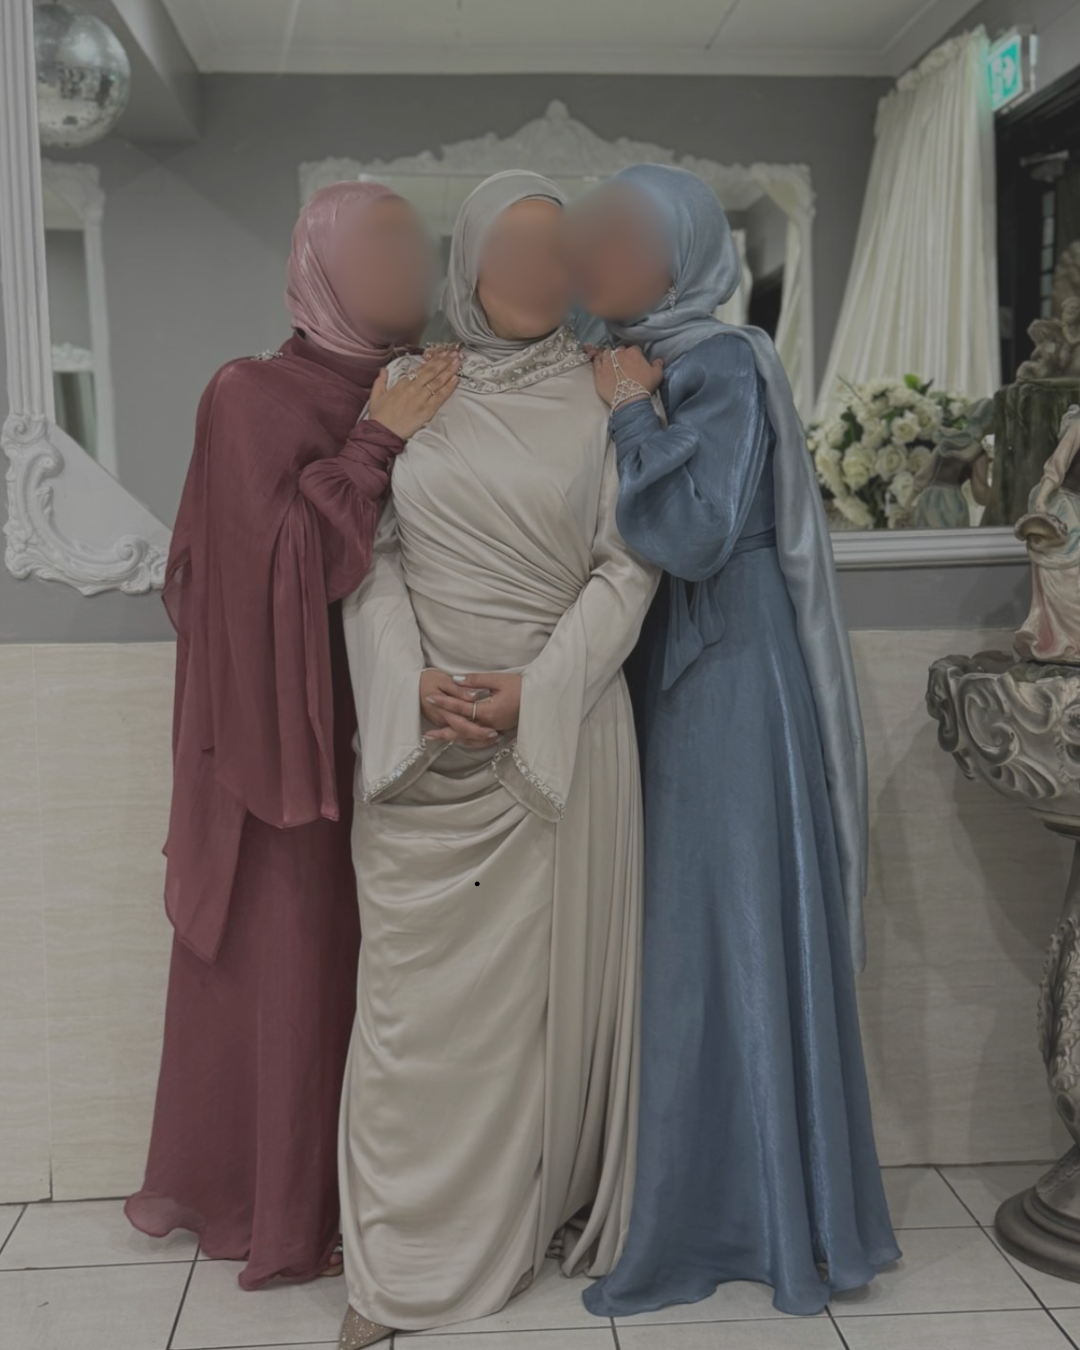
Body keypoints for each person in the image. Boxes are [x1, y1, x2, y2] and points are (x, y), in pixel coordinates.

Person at [566, 164, 899, 1318]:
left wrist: (628, 413)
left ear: (686, 254)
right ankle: (720, 1195)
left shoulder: (715, 360)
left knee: (725, 933)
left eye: (625, 236)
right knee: (690, 937)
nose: (596, 254)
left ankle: (738, 1217)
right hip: (679, 666)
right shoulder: (637, 354)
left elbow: (700, 533)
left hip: (725, 673)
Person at [335, 170, 659, 1349]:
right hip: (421, 747)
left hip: (555, 739)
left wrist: (537, 693)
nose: (535, 273)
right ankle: (394, 1261)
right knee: (410, 1021)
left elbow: (631, 563)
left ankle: (513, 1226)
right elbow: (369, 556)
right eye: (509, 251)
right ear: (466, 261)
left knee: (525, 1029)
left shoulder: (609, 389)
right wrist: (407, 682)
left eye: (555, 252)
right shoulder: (408, 387)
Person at [125, 182, 460, 1290]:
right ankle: (284, 1209)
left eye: (415, 245)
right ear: (316, 263)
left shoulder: (436, 380)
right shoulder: (250, 394)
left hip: (429, 724)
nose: (408, 267)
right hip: (293, 742)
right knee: (303, 961)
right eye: (377, 246)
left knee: (415, 976)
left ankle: (415, 1199)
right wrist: (373, 444)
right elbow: (273, 572)